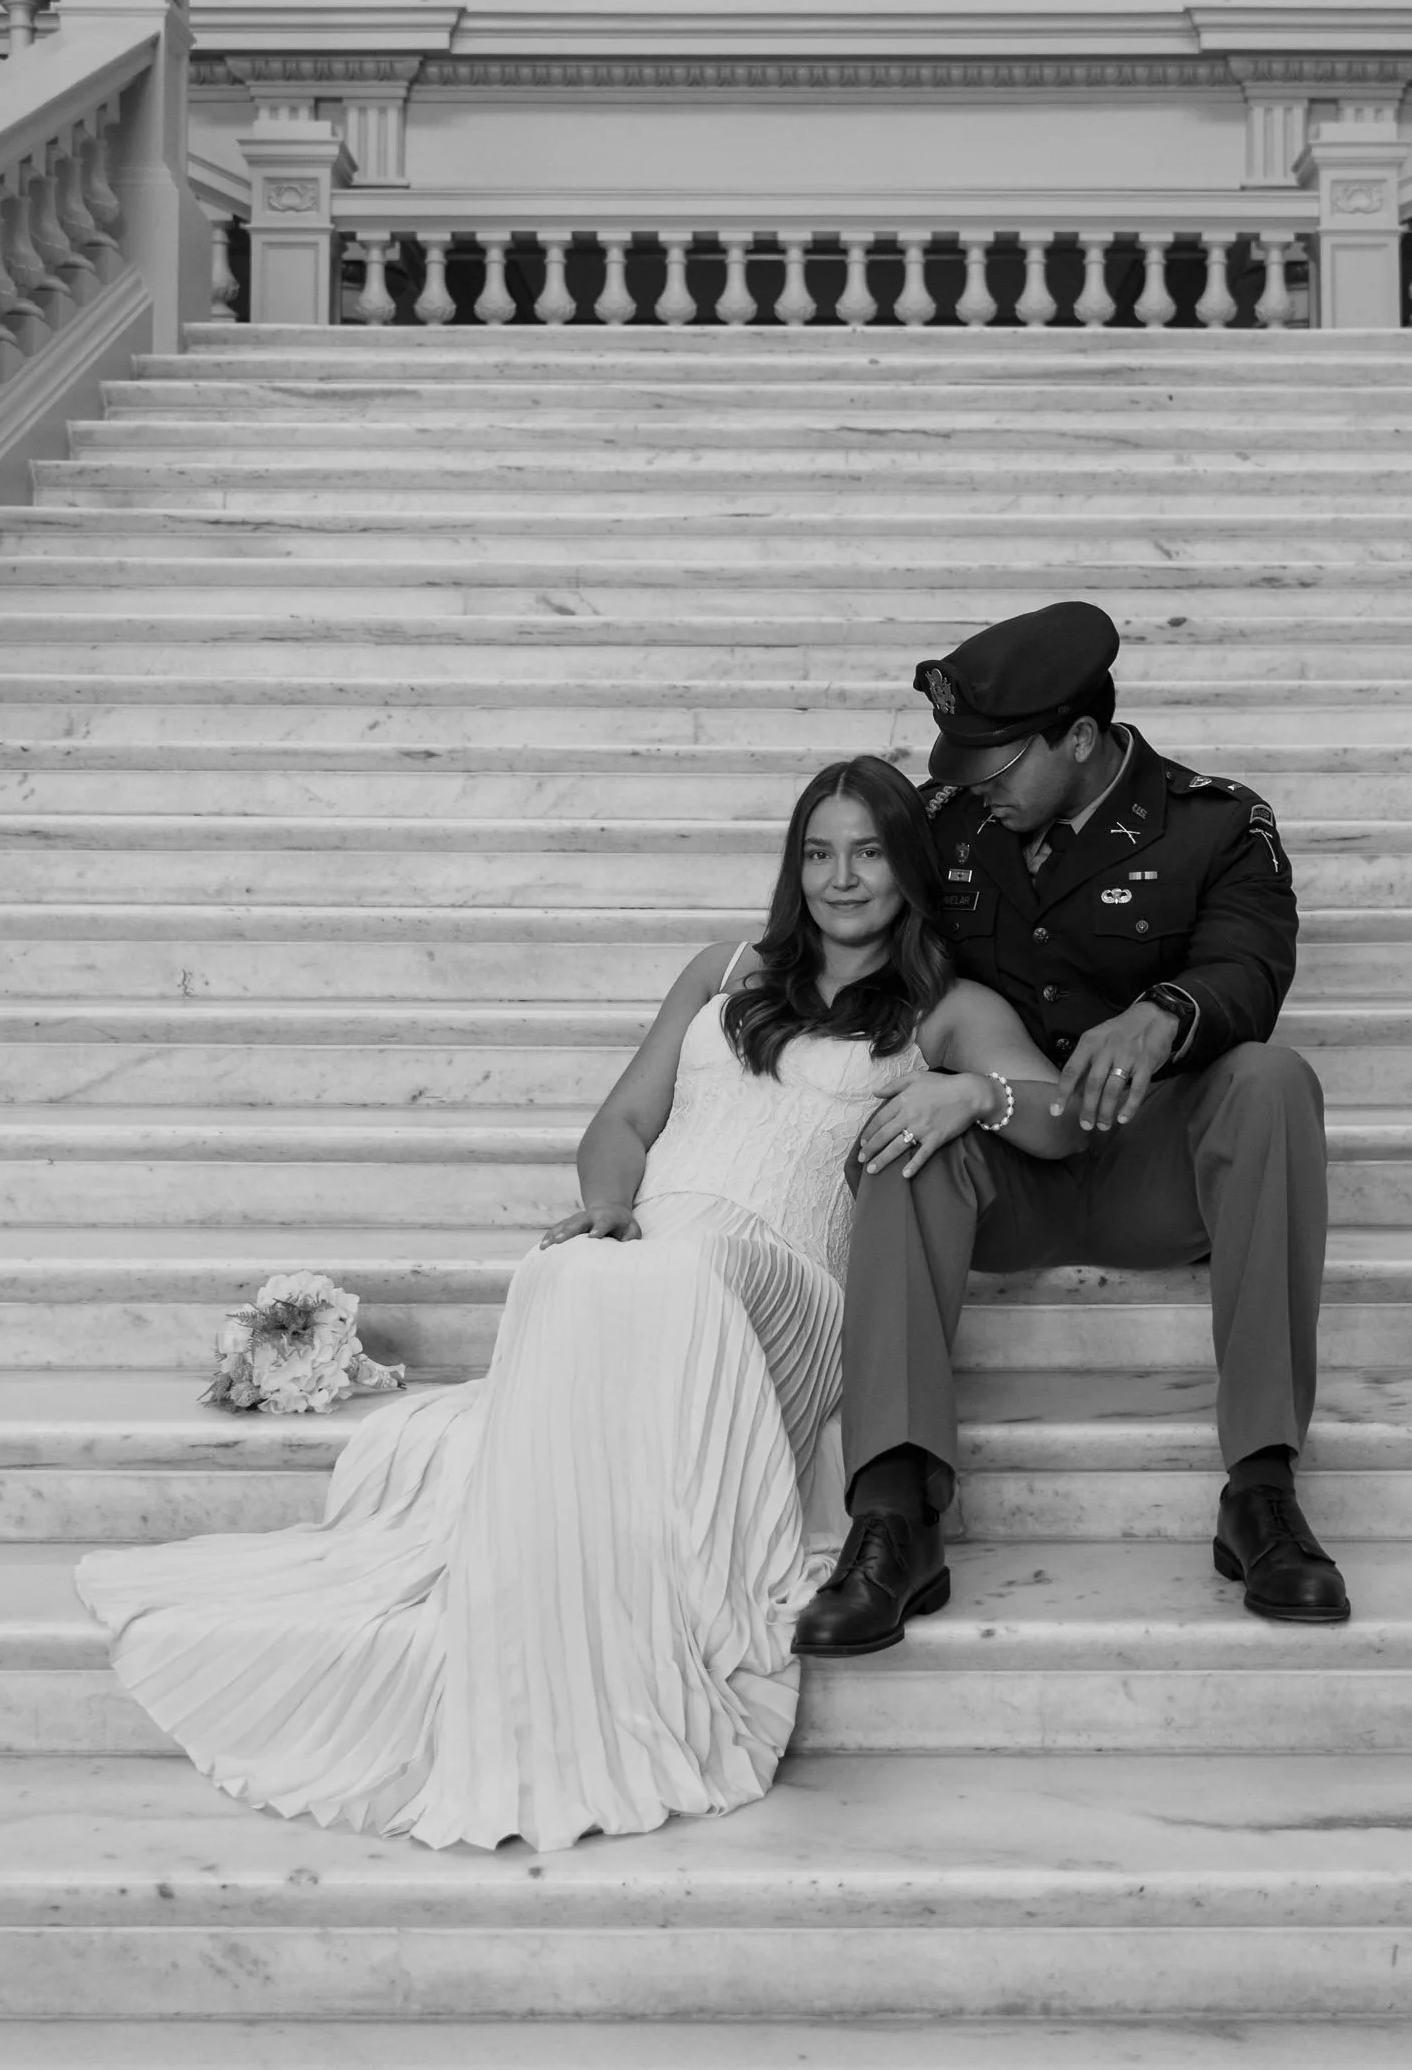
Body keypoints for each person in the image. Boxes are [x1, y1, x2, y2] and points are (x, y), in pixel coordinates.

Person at [76, 756, 1077, 1851]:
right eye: (819, 851)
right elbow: (621, 1124)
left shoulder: (946, 1007)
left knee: (679, 1278)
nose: (841, 877)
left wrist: (977, 1089)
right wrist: (610, 1205)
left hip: (781, 1287)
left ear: (909, 868)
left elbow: (1060, 1120)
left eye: (869, 851)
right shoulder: (723, 969)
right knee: (568, 1267)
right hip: (657, 1240)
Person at [794, 602, 1344, 1662]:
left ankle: (1262, 1490)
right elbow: (844, 914)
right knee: (903, 1128)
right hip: (999, 1170)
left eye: (998, 764)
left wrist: (1166, 1011)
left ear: (1078, 739)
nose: (975, 786)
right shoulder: (949, 822)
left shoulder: (1213, 824)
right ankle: (893, 1517)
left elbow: (1249, 965)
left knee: (1272, 1082)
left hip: (1152, 1165)